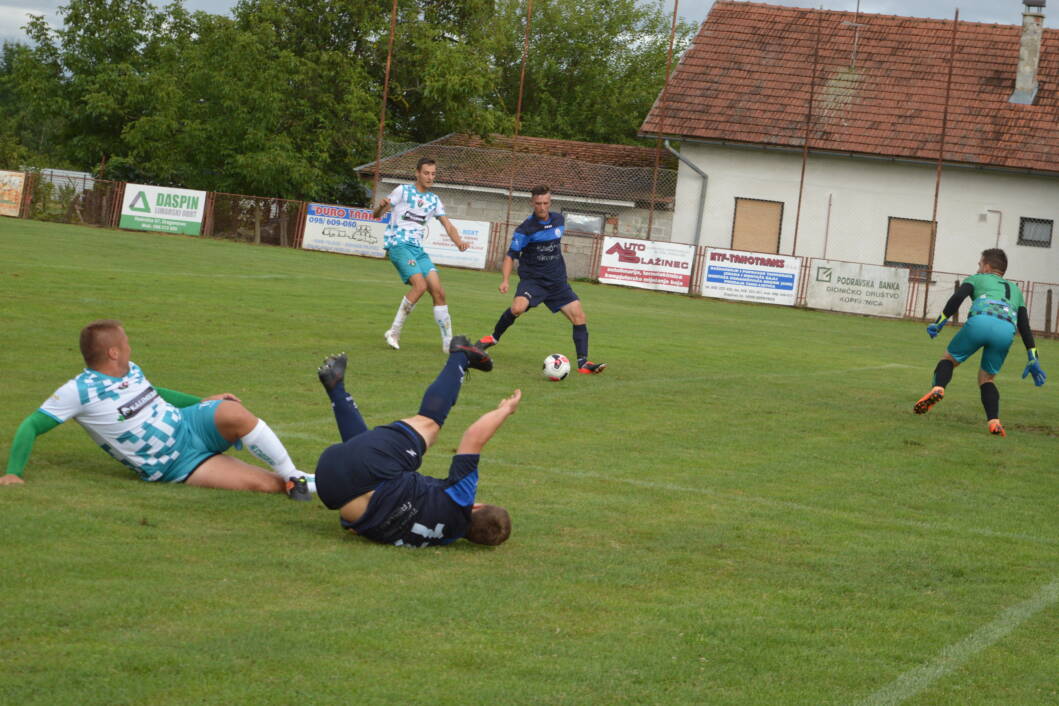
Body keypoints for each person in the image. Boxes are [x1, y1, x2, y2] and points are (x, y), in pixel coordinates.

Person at [1, 319, 314, 498]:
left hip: (189, 424)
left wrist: (202, 401)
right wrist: (13, 473)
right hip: (176, 464)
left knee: (232, 410)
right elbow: (31, 425)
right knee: (268, 485)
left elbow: (156, 393)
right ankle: (308, 483)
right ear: (112, 352)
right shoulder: (78, 392)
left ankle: (294, 474)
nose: (129, 347)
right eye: (125, 343)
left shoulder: (131, 369)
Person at [313, 336, 516, 547]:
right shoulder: (442, 539)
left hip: (371, 466)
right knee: (372, 468)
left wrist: (505, 410)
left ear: (476, 507)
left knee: (429, 426)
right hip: (330, 483)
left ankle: (460, 355)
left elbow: (474, 437)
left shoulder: (462, 501)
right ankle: (335, 387)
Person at [914, 248, 1046, 436]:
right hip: (1006, 330)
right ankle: (994, 422)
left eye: (979, 264)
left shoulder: (976, 279)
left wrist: (940, 322)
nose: (977, 268)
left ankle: (938, 388)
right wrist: (1032, 356)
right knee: (987, 379)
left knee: (949, 359)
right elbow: (1024, 324)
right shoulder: (1016, 290)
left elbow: (958, 297)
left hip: (981, 321)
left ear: (987, 266)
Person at [477, 185, 606, 375]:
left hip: (557, 282)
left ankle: (583, 363)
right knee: (517, 309)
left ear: (550, 202)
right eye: (538, 203)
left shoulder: (559, 220)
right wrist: (505, 280)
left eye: (545, 203)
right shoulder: (525, 229)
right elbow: (510, 255)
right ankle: (492, 338)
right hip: (533, 281)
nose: (542, 207)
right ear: (532, 203)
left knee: (579, 317)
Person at [372, 157, 469, 353]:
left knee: (438, 291)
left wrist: (458, 242)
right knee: (420, 285)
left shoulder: (434, 200)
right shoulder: (403, 191)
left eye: (433, 174)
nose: (430, 177)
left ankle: (448, 343)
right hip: (398, 245)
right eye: (426, 173)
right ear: (417, 173)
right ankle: (394, 331)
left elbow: (447, 225)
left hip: (417, 249)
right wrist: (382, 206)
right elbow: (377, 214)